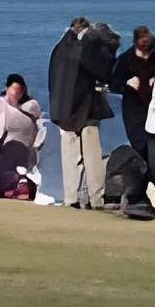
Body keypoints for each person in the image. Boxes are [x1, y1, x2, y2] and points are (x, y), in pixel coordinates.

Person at [44, 16, 111, 209]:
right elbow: (101, 73)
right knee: (92, 158)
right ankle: (96, 198)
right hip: (86, 110)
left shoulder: (58, 50)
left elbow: (52, 80)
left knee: (69, 158)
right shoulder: (85, 51)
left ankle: (70, 198)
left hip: (62, 111)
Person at [119, 27, 155, 210]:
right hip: (133, 112)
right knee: (139, 149)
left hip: (153, 112)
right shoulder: (126, 59)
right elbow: (114, 81)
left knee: (154, 156)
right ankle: (138, 194)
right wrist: (127, 82)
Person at [0, 72, 43, 200]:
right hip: (24, 159)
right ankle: (20, 184)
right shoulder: (31, 108)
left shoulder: (2, 105)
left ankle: (16, 185)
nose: (16, 94)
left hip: (13, 157)